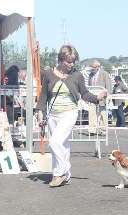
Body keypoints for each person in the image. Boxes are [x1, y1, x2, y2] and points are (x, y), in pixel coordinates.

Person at [36, 44, 107, 187]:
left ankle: (58, 173)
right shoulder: (49, 74)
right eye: (68, 61)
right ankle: (67, 175)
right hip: (52, 114)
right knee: (63, 144)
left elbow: (84, 93)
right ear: (60, 60)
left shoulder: (77, 75)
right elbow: (43, 95)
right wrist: (39, 113)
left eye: (73, 61)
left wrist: (98, 98)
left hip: (69, 113)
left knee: (55, 142)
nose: (71, 64)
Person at [87, 60, 112, 136]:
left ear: (98, 66)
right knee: (92, 113)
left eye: (94, 67)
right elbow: (89, 86)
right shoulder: (91, 74)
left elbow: (108, 86)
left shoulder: (105, 74)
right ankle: (92, 130)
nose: (93, 69)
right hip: (93, 98)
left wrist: (107, 96)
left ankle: (103, 130)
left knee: (102, 114)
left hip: (102, 98)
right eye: (92, 67)